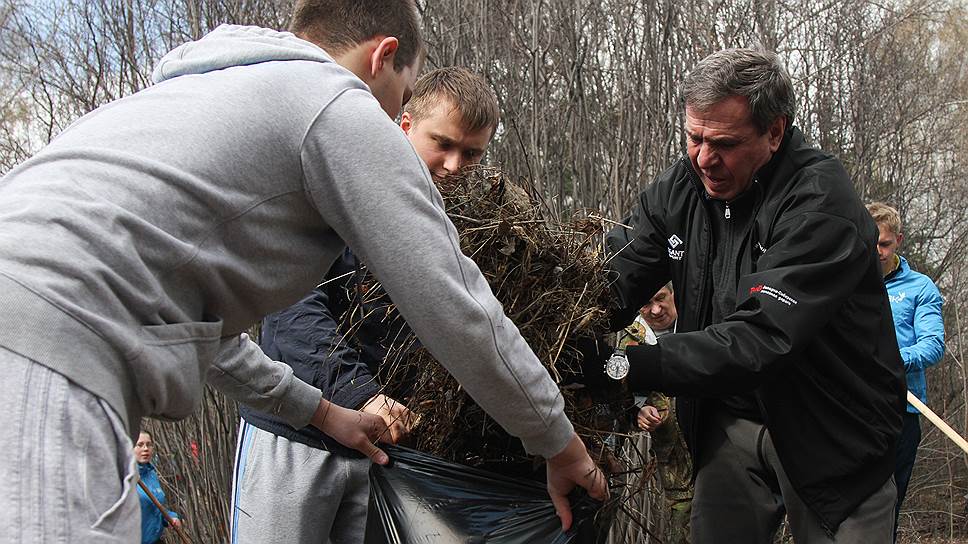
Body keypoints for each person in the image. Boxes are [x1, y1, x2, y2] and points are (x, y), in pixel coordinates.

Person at [0, 2, 605, 540]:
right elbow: (457, 306)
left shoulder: (195, 106)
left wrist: (318, 411)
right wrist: (558, 442)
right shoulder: (336, 106)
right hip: (54, 334)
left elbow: (204, 338)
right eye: (405, 91)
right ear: (383, 56)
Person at [592, 48, 905, 542]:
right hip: (730, 419)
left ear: (775, 132)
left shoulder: (821, 201)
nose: (703, 158)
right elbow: (612, 277)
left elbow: (763, 334)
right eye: (693, 138)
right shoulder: (682, 188)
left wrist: (631, 363)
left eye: (725, 143)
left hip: (833, 432)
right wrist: (563, 328)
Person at [230, 66, 499, 543]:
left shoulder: (455, 232)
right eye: (443, 143)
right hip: (298, 436)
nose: (455, 165)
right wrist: (360, 393)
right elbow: (292, 311)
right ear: (405, 126)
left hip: (386, 455)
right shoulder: (338, 186)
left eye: (471, 153)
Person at [866, 202, 945, 540]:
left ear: (897, 240)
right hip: (851, 409)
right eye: (870, 242)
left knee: (888, 507)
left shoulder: (920, 288)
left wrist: (889, 358)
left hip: (901, 411)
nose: (876, 251)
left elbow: (932, 346)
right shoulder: (844, 282)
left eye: (884, 243)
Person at [622, 284, 692, 544]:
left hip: (717, 454)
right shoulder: (628, 338)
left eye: (661, 298)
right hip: (676, 468)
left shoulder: (698, 324)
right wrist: (638, 412)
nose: (655, 310)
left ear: (674, 293)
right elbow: (620, 400)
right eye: (645, 303)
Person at [134, 432, 182, 544]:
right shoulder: (125, 477)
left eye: (148, 444)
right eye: (140, 445)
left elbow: (156, 507)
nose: (145, 449)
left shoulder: (152, 474)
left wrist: (171, 517)